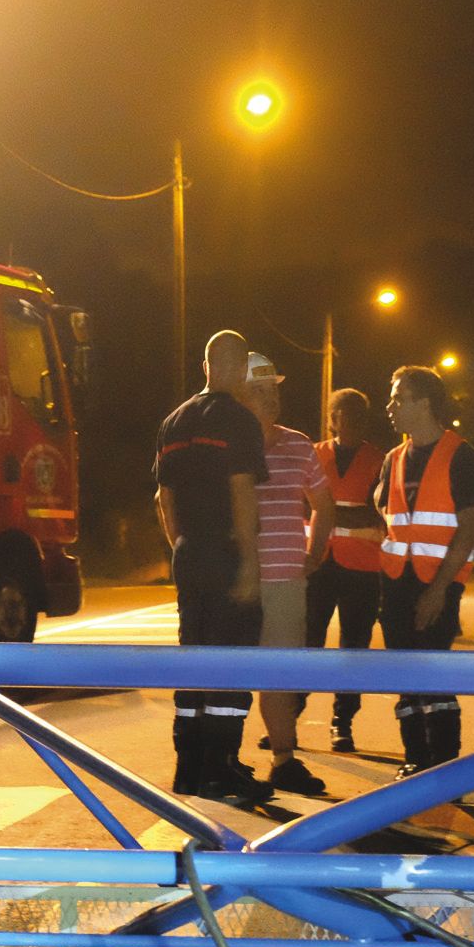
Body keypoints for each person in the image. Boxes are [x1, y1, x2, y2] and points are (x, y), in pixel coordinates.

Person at [154, 329, 270, 805]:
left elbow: (164, 498)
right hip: (225, 554)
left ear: (206, 365)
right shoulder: (239, 421)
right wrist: (248, 563)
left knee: (193, 657)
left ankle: (190, 768)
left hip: (188, 552)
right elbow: (242, 491)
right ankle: (221, 771)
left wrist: (181, 546)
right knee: (231, 660)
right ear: (238, 367)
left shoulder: (174, 422)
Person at [376, 366, 474, 778]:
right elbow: (385, 512)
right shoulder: (393, 458)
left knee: (435, 676)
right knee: (404, 677)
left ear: (425, 403)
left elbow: (470, 526)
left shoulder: (463, 456)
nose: (390, 407)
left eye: (398, 398)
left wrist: (439, 590)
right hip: (395, 584)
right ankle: (415, 759)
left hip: (436, 583)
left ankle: (444, 767)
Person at [233, 352, 333, 795]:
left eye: (273, 387)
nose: (271, 397)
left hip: (286, 580)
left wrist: (315, 553)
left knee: (281, 674)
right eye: (259, 390)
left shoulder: (298, 444)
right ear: (239, 395)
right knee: (232, 675)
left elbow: (324, 503)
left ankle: (284, 760)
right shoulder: (227, 446)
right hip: (236, 580)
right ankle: (226, 761)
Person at [302, 387, 385, 751]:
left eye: (358, 415)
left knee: (354, 648)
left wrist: (329, 509)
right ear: (332, 418)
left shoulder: (380, 460)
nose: (351, 421)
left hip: (363, 566)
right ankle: (288, 717)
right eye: (344, 414)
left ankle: (342, 721)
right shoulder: (313, 455)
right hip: (317, 561)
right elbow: (301, 507)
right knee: (306, 643)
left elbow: (380, 511)